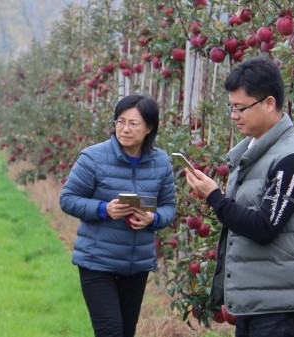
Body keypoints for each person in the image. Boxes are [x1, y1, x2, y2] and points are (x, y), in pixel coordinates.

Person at [183, 56, 294, 337]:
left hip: (284, 306)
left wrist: (214, 196)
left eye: (240, 108)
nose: (234, 116)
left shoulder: (293, 159)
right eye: (231, 107)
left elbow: (264, 227)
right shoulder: (252, 153)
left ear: (269, 103)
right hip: (258, 301)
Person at [59, 94, 176, 337]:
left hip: (136, 264)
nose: (125, 129)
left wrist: (152, 219)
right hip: (97, 261)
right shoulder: (93, 157)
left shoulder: (161, 162)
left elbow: (168, 207)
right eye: (120, 122)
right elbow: (68, 199)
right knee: (110, 331)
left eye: (133, 124)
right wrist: (104, 210)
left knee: (125, 332)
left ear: (149, 127)